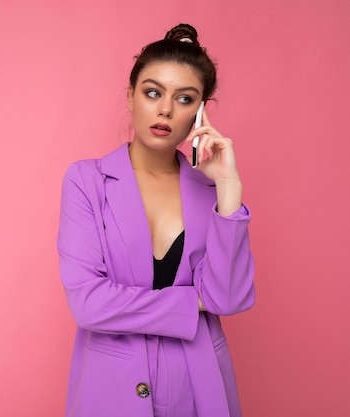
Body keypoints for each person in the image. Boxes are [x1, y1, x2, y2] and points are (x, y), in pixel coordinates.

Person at [57, 23, 255, 417]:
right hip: (111, 387)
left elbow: (228, 298)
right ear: (130, 97)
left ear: (199, 113)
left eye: (184, 98)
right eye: (152, 92)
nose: (165, 109)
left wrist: (229, 191)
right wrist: (193, 301)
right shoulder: (86, 181)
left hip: (200, 385)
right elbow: (89, 304)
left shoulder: (208, 190)